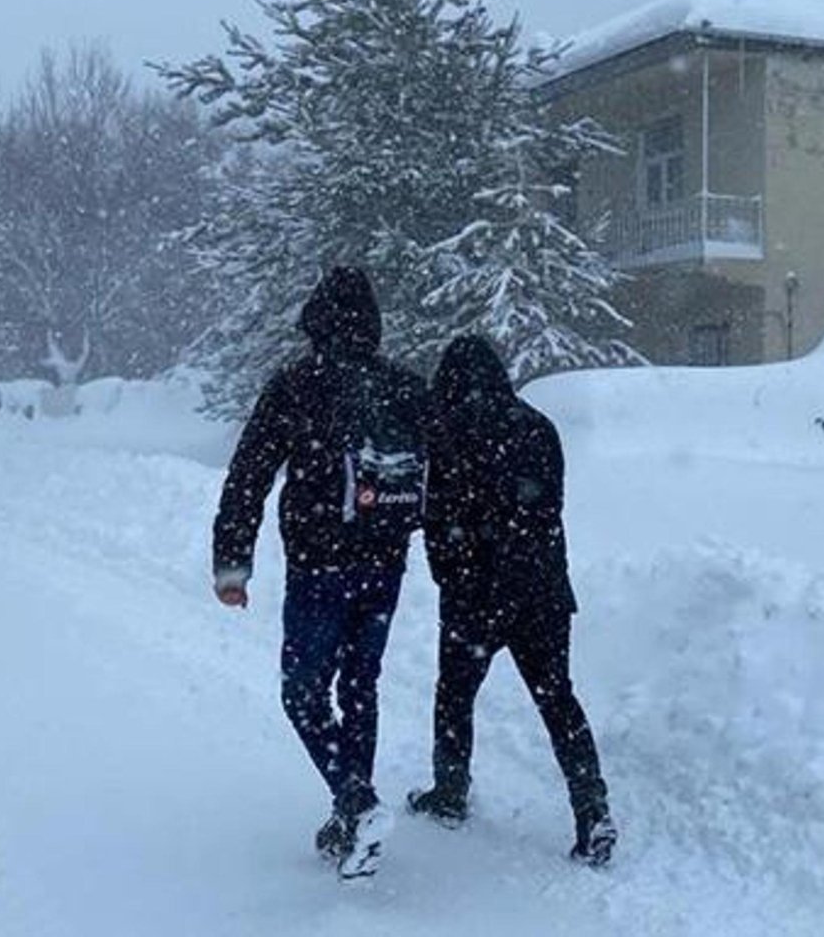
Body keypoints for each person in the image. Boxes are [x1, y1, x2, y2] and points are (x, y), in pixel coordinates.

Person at [211, 266, 428, 880]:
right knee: (360, 686)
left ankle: (355, 802)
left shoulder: (296, 385)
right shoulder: (405, 387)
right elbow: (445, 471)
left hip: (319, 566)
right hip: (385, 565)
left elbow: (249, 474)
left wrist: (233, 561)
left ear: (315, 319)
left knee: (302, 692)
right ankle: (349, 809)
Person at [407, 335, 617, 867]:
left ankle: (450, 792)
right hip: (541, 589)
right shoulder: (539, 426)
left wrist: (451, 572)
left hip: (475, 594)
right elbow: (548, 508)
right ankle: (593, 810)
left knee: (455, 695)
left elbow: (436, 517)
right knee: (558, 699)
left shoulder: (445, 431)